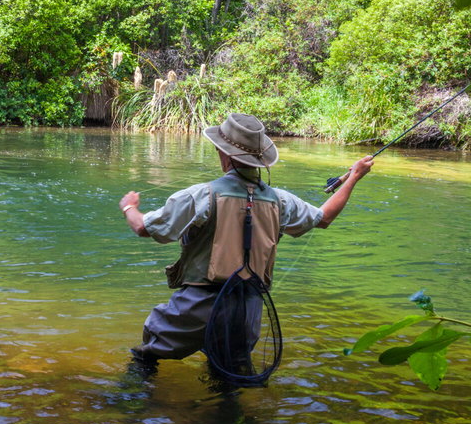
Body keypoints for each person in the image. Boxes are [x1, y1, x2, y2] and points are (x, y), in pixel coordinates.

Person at [118, 113, 374, 376]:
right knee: (230, 376)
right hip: (248, 308)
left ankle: (133, 400)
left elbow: (144, 228)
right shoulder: (281, 201)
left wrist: (129, 207)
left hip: (199, 304)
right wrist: (354, 176)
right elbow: (324, 218)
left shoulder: (200, 195)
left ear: (225, 154)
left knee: (146, 357)